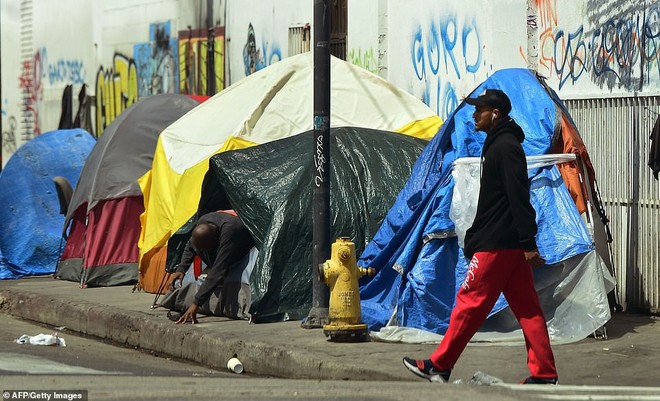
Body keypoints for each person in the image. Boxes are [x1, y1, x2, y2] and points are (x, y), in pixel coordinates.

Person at [402, 89, 558, 384]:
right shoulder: (498, 144)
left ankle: (439, 365)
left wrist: (528, 243)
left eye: (480, 110)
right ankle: (545, 374)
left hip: (499, 245)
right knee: (528, 309)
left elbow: (518, 196)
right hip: (505, 244)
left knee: (468, 303)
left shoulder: (506, 146)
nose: (474, 115)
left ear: (494, 114)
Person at [170, 210, 254, 325]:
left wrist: (195, 304)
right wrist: (181, 269)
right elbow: (190, 245)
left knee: (218, 274)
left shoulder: (230, 230)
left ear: (216, 240)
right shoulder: (203, 222)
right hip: (217, 241)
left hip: (243, 249)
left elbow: (218, 270)